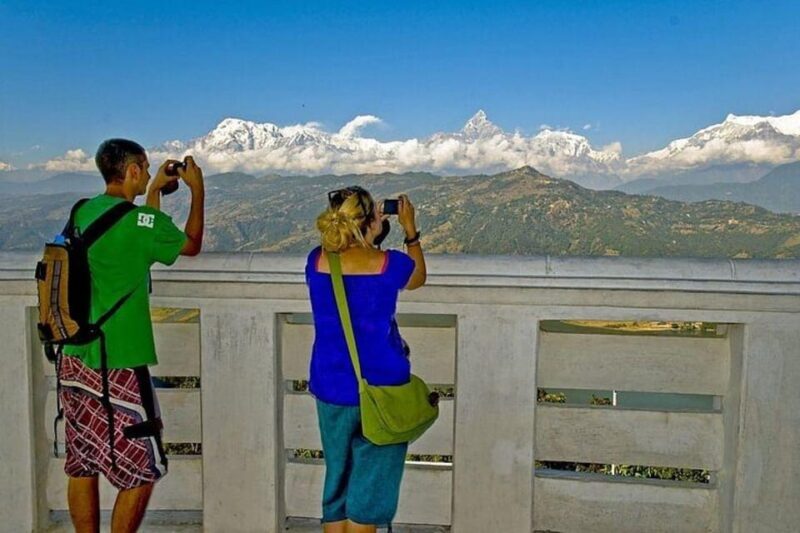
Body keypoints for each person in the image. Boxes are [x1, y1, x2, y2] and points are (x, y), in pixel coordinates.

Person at [59, 138, 204, 533]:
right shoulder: (142, 223)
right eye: (145, 167)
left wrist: (155, 192)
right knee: (141, 469)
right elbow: (189, 245)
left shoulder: (81, 212)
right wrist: (197, 191)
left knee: (82, 462)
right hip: (119, 362)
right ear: (134, 170)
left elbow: (135, 235)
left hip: (73, 357)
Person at [305, 186, 427, 533]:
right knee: (369, 494)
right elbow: (417, 277)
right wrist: (410, 229)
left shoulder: (316, 261)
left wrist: (367, 231)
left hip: (331, 386)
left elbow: (345, 261)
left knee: (338, 484)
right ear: (372, 220)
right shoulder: (390, 264)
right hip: (383, 391)